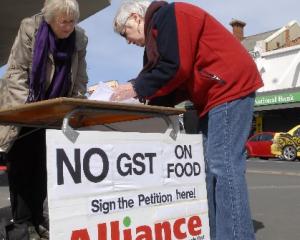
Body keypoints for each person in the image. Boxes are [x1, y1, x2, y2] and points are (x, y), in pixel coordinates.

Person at [111, 1, 263, 240]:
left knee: (223, 167)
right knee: (209, 170)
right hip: (211, 96)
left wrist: (136, 88)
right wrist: (140, 98)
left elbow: (175, 66)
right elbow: (165, 81)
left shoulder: (168, 15)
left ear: (135, 18)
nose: (127, 41)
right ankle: (218, 233)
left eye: (125, 33)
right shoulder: (155, 38)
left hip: (228, 87)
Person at [0, 0, 88, 238]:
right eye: (63, 21)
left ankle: (39, 218)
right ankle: (23, 223)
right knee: (21, 166)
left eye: (72, 21)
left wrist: (74, 106)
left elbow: (79, 78)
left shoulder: (80, 38)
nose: (68, 27)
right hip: (26, 109)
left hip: (53, 115)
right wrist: (30, 110)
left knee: (44, 168)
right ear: (50, 18)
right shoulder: (30, 27)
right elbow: (17, 71)